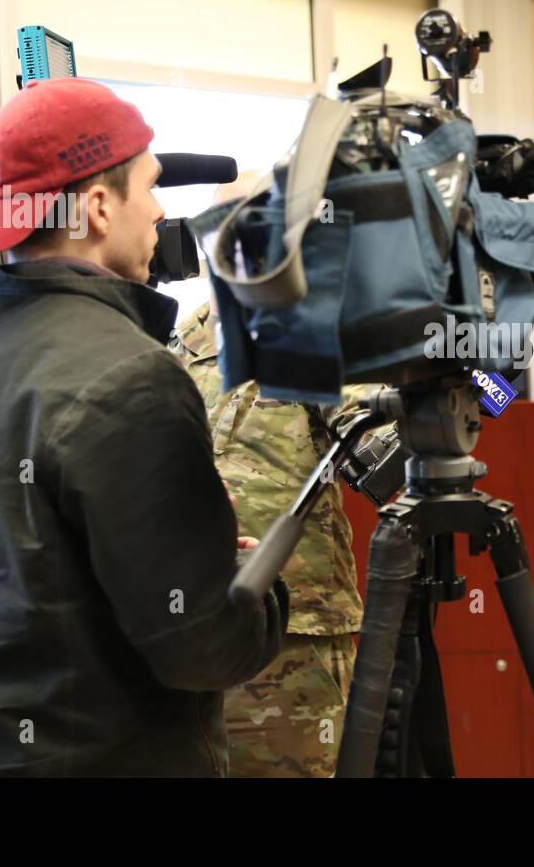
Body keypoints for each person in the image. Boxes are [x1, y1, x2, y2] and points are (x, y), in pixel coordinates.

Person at [0, 78, 287, 776]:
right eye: (149, 190)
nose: (159, 213)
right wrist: (252, 581)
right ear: (97, 207)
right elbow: (202, 648)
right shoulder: (134, 378)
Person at [173, 301, 366, 778]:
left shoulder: (326, 329)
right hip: (185, 629)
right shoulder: (181, 337)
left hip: (292, 635)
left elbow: (374, 435)